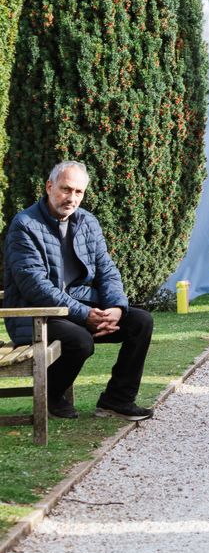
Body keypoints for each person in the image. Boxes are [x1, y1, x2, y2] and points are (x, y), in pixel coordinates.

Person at [3, 162, 154, 420]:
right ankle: (51, 394)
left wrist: (116, 308)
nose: (72, 198)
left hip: (79, 309)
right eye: (66, 189)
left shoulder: (87, 222)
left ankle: (116, 400)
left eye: (79, 192)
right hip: (37, 315)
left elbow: (107, 270)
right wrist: (85, 315)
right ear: (49, 187)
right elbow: (34, 285)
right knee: (79, 340)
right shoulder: (24, 225)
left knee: (140, 322)